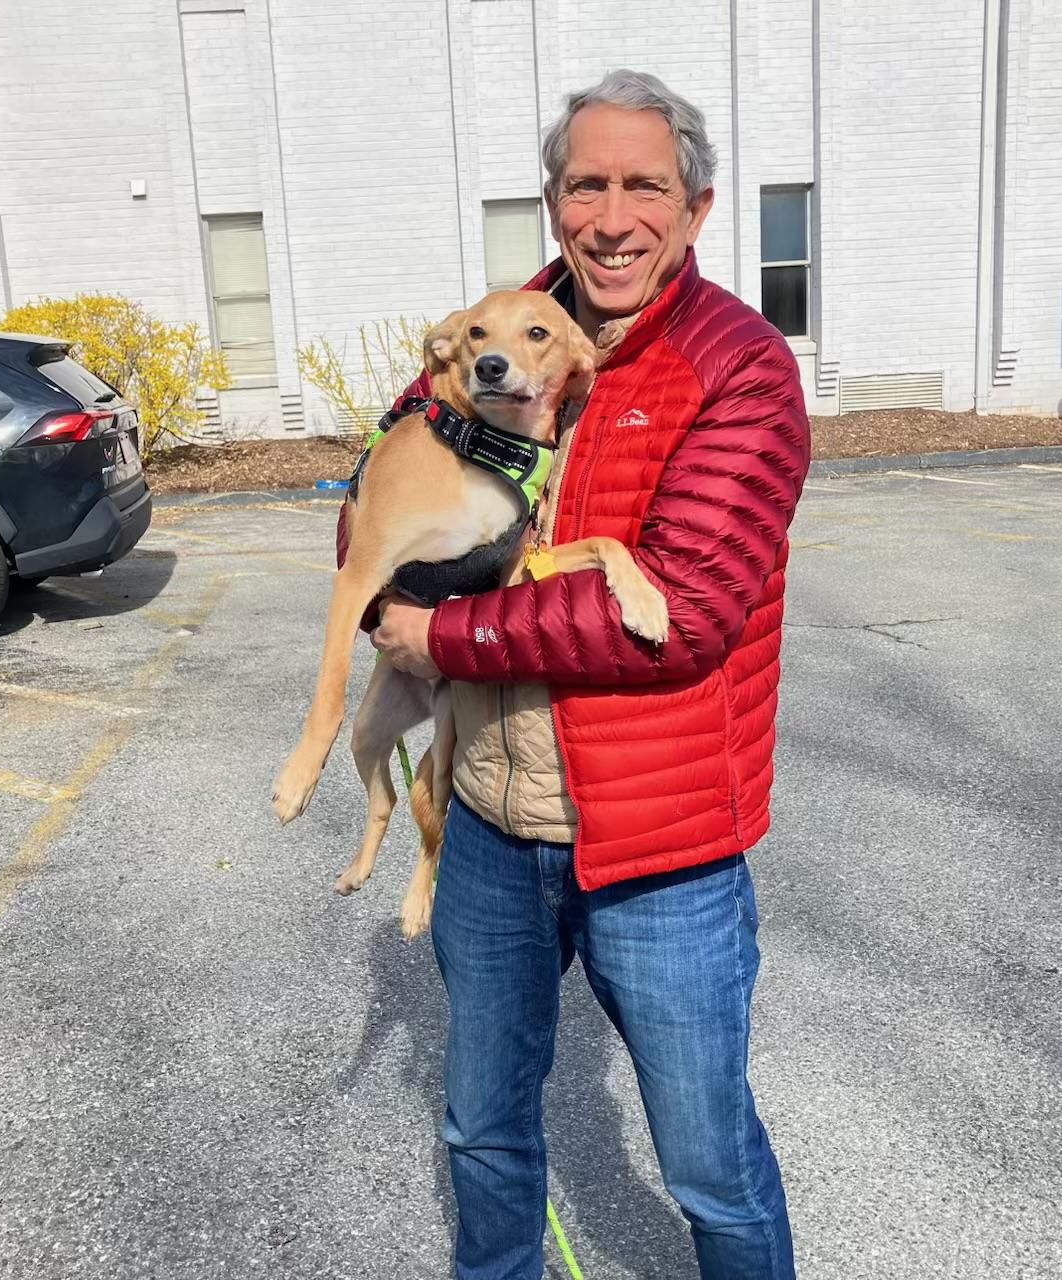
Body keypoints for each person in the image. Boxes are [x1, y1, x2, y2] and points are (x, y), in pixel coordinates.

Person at [368, 68, 810, 1280]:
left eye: (643, 187)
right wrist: (379, 571)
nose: (612, 219)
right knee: (480, 1125)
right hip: (487, 823)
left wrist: (436, 633)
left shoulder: (737, 367)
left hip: (658, 847)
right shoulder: (497, 329)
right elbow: (385, 490)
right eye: (585, 186)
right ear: (554, 201)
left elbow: (682, 612)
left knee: (709, 1165)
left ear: (694, 207)